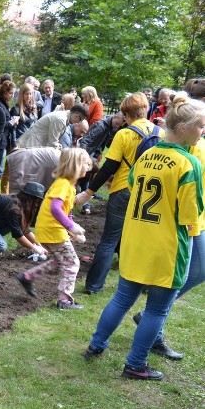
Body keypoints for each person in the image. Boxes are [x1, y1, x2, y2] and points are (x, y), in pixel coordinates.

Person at [83, 95, 205, 380]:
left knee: (122, 297)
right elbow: (191, 218)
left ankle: (96, 345)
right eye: (200, 126)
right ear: (184, 127)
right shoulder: (189, 164)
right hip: (166, 247)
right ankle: (136, 364)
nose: (203, 132)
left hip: (136, 239)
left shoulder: (146, 154)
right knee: (158, 308)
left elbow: (132, 185)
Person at [76, 92, 161, 294]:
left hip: (123, 190)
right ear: (145, 110)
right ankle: (145, 284)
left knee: (109, 239)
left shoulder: (124, 134)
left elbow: (108, 167)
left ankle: (94, 286)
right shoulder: (160, 133)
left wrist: (88, 193)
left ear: (125, 113)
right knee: (142, 239)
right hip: (149, 194)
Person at [16, 148, 90, 310]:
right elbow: (55, 209)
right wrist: (71, 227)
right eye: (85, 163)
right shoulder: (63, 184)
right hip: (52, 231)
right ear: (75, 165)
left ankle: (27, 277)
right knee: (73, 264)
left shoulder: (69, 185)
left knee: (58, 262)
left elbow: (66, 212)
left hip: (49, 231)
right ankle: (64, 300)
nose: (88, 167)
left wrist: (73, 232)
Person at [16, 104, 89, 149]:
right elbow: (52, 143)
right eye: (80, 120)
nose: (78, 122)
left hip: (30, 147)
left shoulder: (63, 118)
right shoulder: (61, 120)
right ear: (76, 115)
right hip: (26, 147)